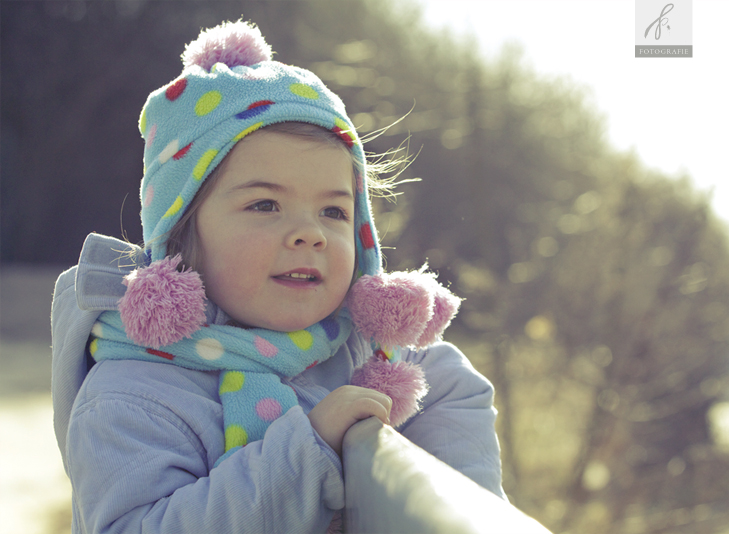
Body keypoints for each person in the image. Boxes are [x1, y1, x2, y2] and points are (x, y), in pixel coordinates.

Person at [51, 20, 505, 534]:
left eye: (333, 213)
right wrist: (304, 455)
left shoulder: (368, 356)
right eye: (265, 204)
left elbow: (454, 391)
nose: (309, 234)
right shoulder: (135, 397)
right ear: (181, 233)